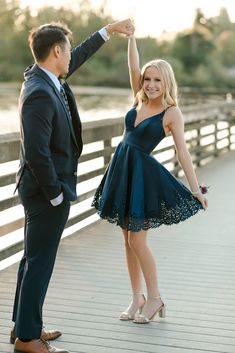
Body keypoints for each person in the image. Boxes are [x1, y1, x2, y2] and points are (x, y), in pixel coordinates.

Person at [11, 19, 134, 353]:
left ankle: (23, 326)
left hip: (44, 189)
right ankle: (27, 339)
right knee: (40, 262)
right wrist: (55, 194)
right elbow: (37, 153)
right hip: (44, 192)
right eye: (66, 51)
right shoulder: (38, 91)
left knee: (31, 259)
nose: (70, 58)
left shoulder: (44, 77)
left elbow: (76, 58)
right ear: (55, 51)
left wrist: (107, 32)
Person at [92, 33, 208, 324]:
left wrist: (196, 190)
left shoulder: (172, 112)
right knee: (127, 241)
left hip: (142, 174)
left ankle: (155, 297)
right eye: (148, 80)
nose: (151, 85)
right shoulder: (138, 99)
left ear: (167, 83)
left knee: (138, 242)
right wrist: (130, 38)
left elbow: (182, 152)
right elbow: (134, 67)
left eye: (157, 81)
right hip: (121, 171)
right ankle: (137, 298)